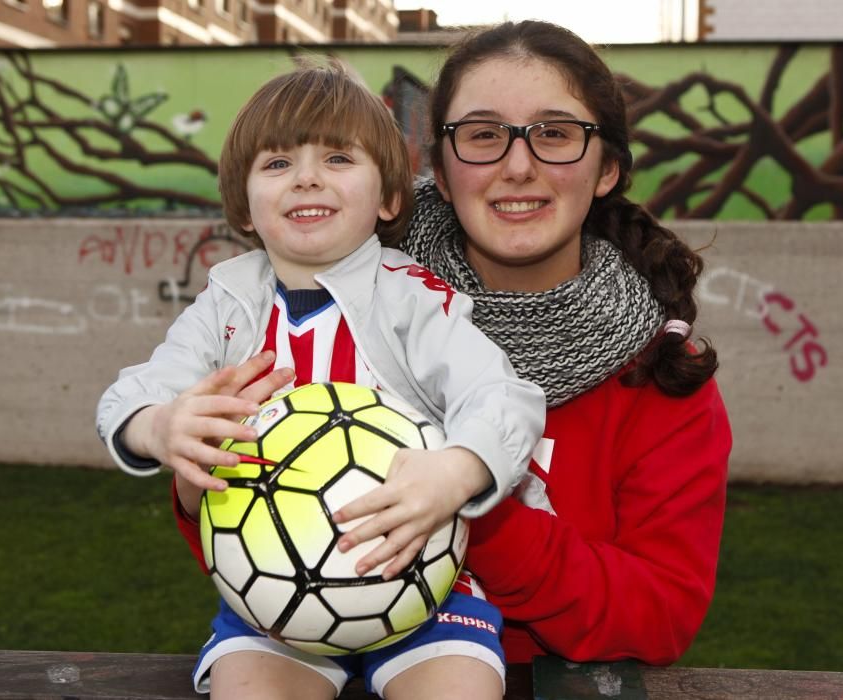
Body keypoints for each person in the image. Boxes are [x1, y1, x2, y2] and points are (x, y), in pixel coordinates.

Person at [96, 60, 545, 699]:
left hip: (421, 583)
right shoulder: (226, 305)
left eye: (338, 159)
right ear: (244, 206)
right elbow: (129, 394)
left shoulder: (414, 301)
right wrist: (160, 425)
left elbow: (505, 397)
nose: (306, 177)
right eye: (277, 164)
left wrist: (457, 470)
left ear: (389, 197)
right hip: (271, 591)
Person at [386, 19, 732, 666]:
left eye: (554, 134)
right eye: (482, 135)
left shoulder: (661, 376)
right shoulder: (360, 316)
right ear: (442, 164)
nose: (518, 166)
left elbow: (657, 615)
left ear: (605, 170)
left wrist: (475, 502)